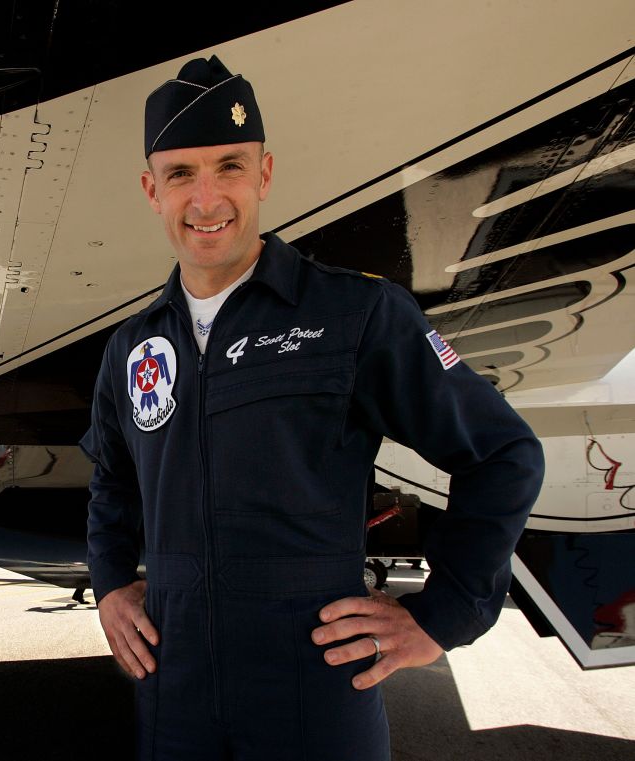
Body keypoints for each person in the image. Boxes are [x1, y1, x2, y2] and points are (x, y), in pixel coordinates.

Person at [81, 56, 545, 760]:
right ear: (152, 189)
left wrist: (444, 612)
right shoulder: (132, 347)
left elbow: (502, 452)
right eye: (181, 174)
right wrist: (113, 583)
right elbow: (111, 481)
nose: (206, 200)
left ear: (264, 175)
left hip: (313, 691)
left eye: (229, 167)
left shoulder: (354, 313)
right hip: (173, 697)